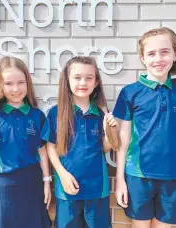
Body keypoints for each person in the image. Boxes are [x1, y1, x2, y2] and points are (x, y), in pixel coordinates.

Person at [114, 27, 176, 228]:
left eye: (165, 52)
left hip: (173, 175)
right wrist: (120, 180)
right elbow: (123, 139)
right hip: (138, 176)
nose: (158, 58)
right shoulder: (130, 93)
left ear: (175, 54)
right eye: (151, 53)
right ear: (142, 58)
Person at [0, 56, 52, 228]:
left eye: (21, 82)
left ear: (28, 83)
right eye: (8, 84)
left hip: (32, 183)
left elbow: (42, 151)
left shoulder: (37, 115)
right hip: (3, 184)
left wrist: (46, 182)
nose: (16, 89)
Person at [41, 56, 119, 228]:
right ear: (67, 81)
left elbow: (105, 148)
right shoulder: (56, 113)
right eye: (77, 77)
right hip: (67, 187)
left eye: (89, 78)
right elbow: (50, 146)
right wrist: (61, 174)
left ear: (96, 81)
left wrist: (109, 133)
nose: (83, 82)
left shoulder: (101, 113)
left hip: (97, 188)